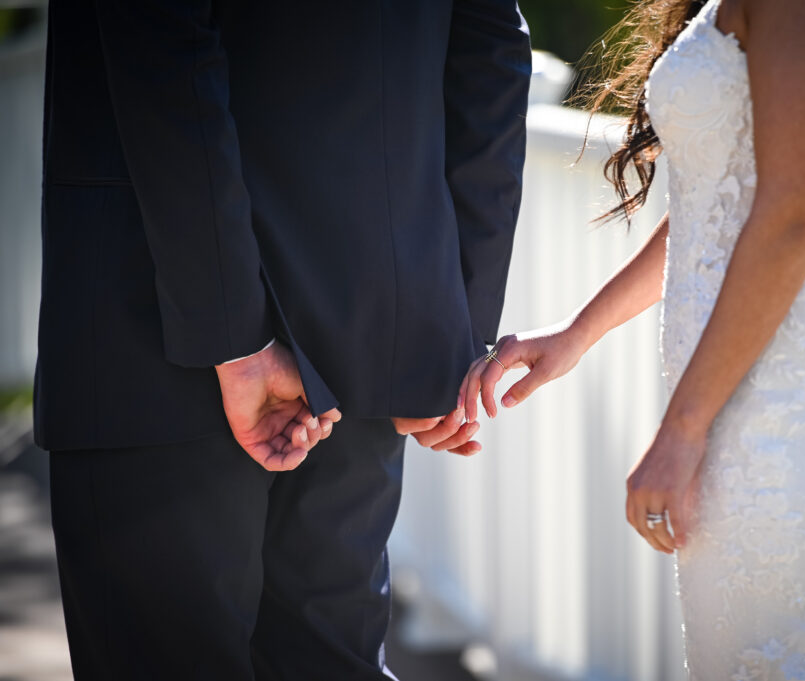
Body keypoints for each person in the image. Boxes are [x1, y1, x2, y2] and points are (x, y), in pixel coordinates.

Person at [460, 0, 805, 677]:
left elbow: (792, 217)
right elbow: (722, 199)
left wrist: (682, 429)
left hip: (794, 416)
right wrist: (579, 333)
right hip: (752, 406)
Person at [35, 1, 530, 678]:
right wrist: (448, 336)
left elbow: (161, 38)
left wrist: (234, 336)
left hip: (150, 319)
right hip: (367, 343)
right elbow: (490, 46)